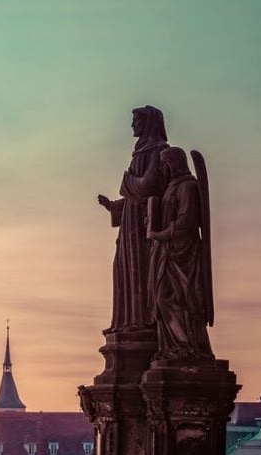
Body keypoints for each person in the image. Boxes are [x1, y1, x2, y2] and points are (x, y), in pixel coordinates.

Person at [97, 106, 170, 333]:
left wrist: (126, 181)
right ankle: (125, 321)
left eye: (136, 120)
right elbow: (131, 197)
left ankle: (140, 321)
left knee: (140, 269)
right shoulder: (139, 152)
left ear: (147, 123)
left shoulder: (159, 151)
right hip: (129, 222)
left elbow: (150, 185)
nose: (132, 125)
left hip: (142, 225)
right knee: (122, 268)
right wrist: (113, 205)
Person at [147, 147, 213, 361]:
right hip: (167, 252)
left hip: (183, 253)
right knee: (162, 297)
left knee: (178, 298)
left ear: (173, 163)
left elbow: (186, 221)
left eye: (164, 164)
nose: (161, 168)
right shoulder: (170, 188)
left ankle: (185, 347)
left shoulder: (188, 186)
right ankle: (173, 347)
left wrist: (160, 234)